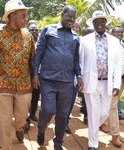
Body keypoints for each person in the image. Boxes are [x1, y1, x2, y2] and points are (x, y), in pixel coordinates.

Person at [0, 0, 34, 149]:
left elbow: (32, 60)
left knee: (22, 119)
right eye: (23, 15)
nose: (26, 18)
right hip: (1, 87)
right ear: (12, 15)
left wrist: (35, 77)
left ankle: (19, 128)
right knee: (4, 123)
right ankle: (5, 146)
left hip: (24, 87)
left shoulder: (28, 36)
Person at [32, 5, 83, 150]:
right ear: (62, 14)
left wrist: (79, 75)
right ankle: (41, 130)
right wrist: (35, 73)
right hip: (48, 80)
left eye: (74, 18)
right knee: (47, 110)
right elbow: (39, 54)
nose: (72, 20)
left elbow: (75, 60)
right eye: (70, 17)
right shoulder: (48, 30)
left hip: (66, 82)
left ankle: (58, 143)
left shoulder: (75, 37)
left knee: (63, 115)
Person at [79, 11, 124, 150]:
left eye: (102, 21)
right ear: (93, 24)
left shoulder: (114, 41)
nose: (99, 24)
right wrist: (79, 79)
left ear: (106, 23)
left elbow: (117, 64)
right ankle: (93, 144)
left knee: (104, 113)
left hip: (108, 83)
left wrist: (117, 84)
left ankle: (93, 128)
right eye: (96, 21)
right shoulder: (84, 40)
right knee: (93, 113)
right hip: (90, 82)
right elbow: (80, 62)